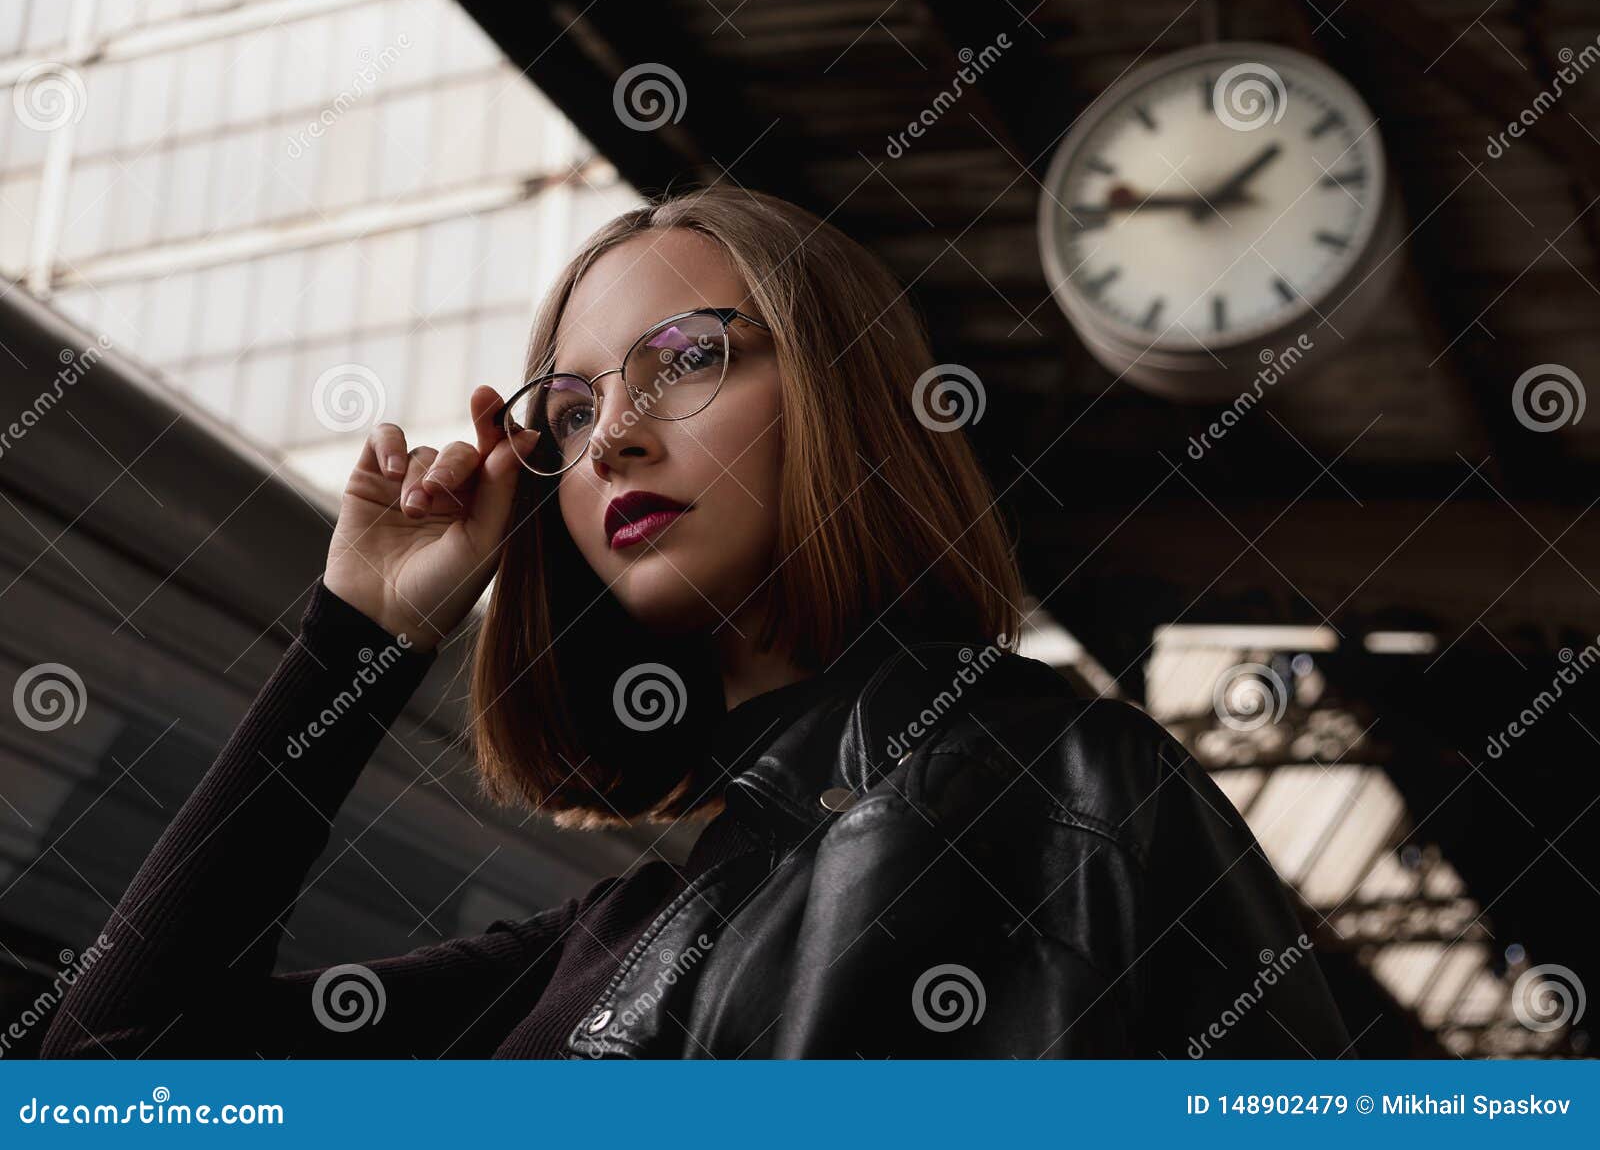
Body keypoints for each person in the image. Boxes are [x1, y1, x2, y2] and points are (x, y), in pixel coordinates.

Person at [40, 187, 1349, 1059]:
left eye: (692, 356)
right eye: (567, 412)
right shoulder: (592, 945)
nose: (611, 431)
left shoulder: (1081, 787)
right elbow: (108, 1075)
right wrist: (360, 634)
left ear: (846, 396)